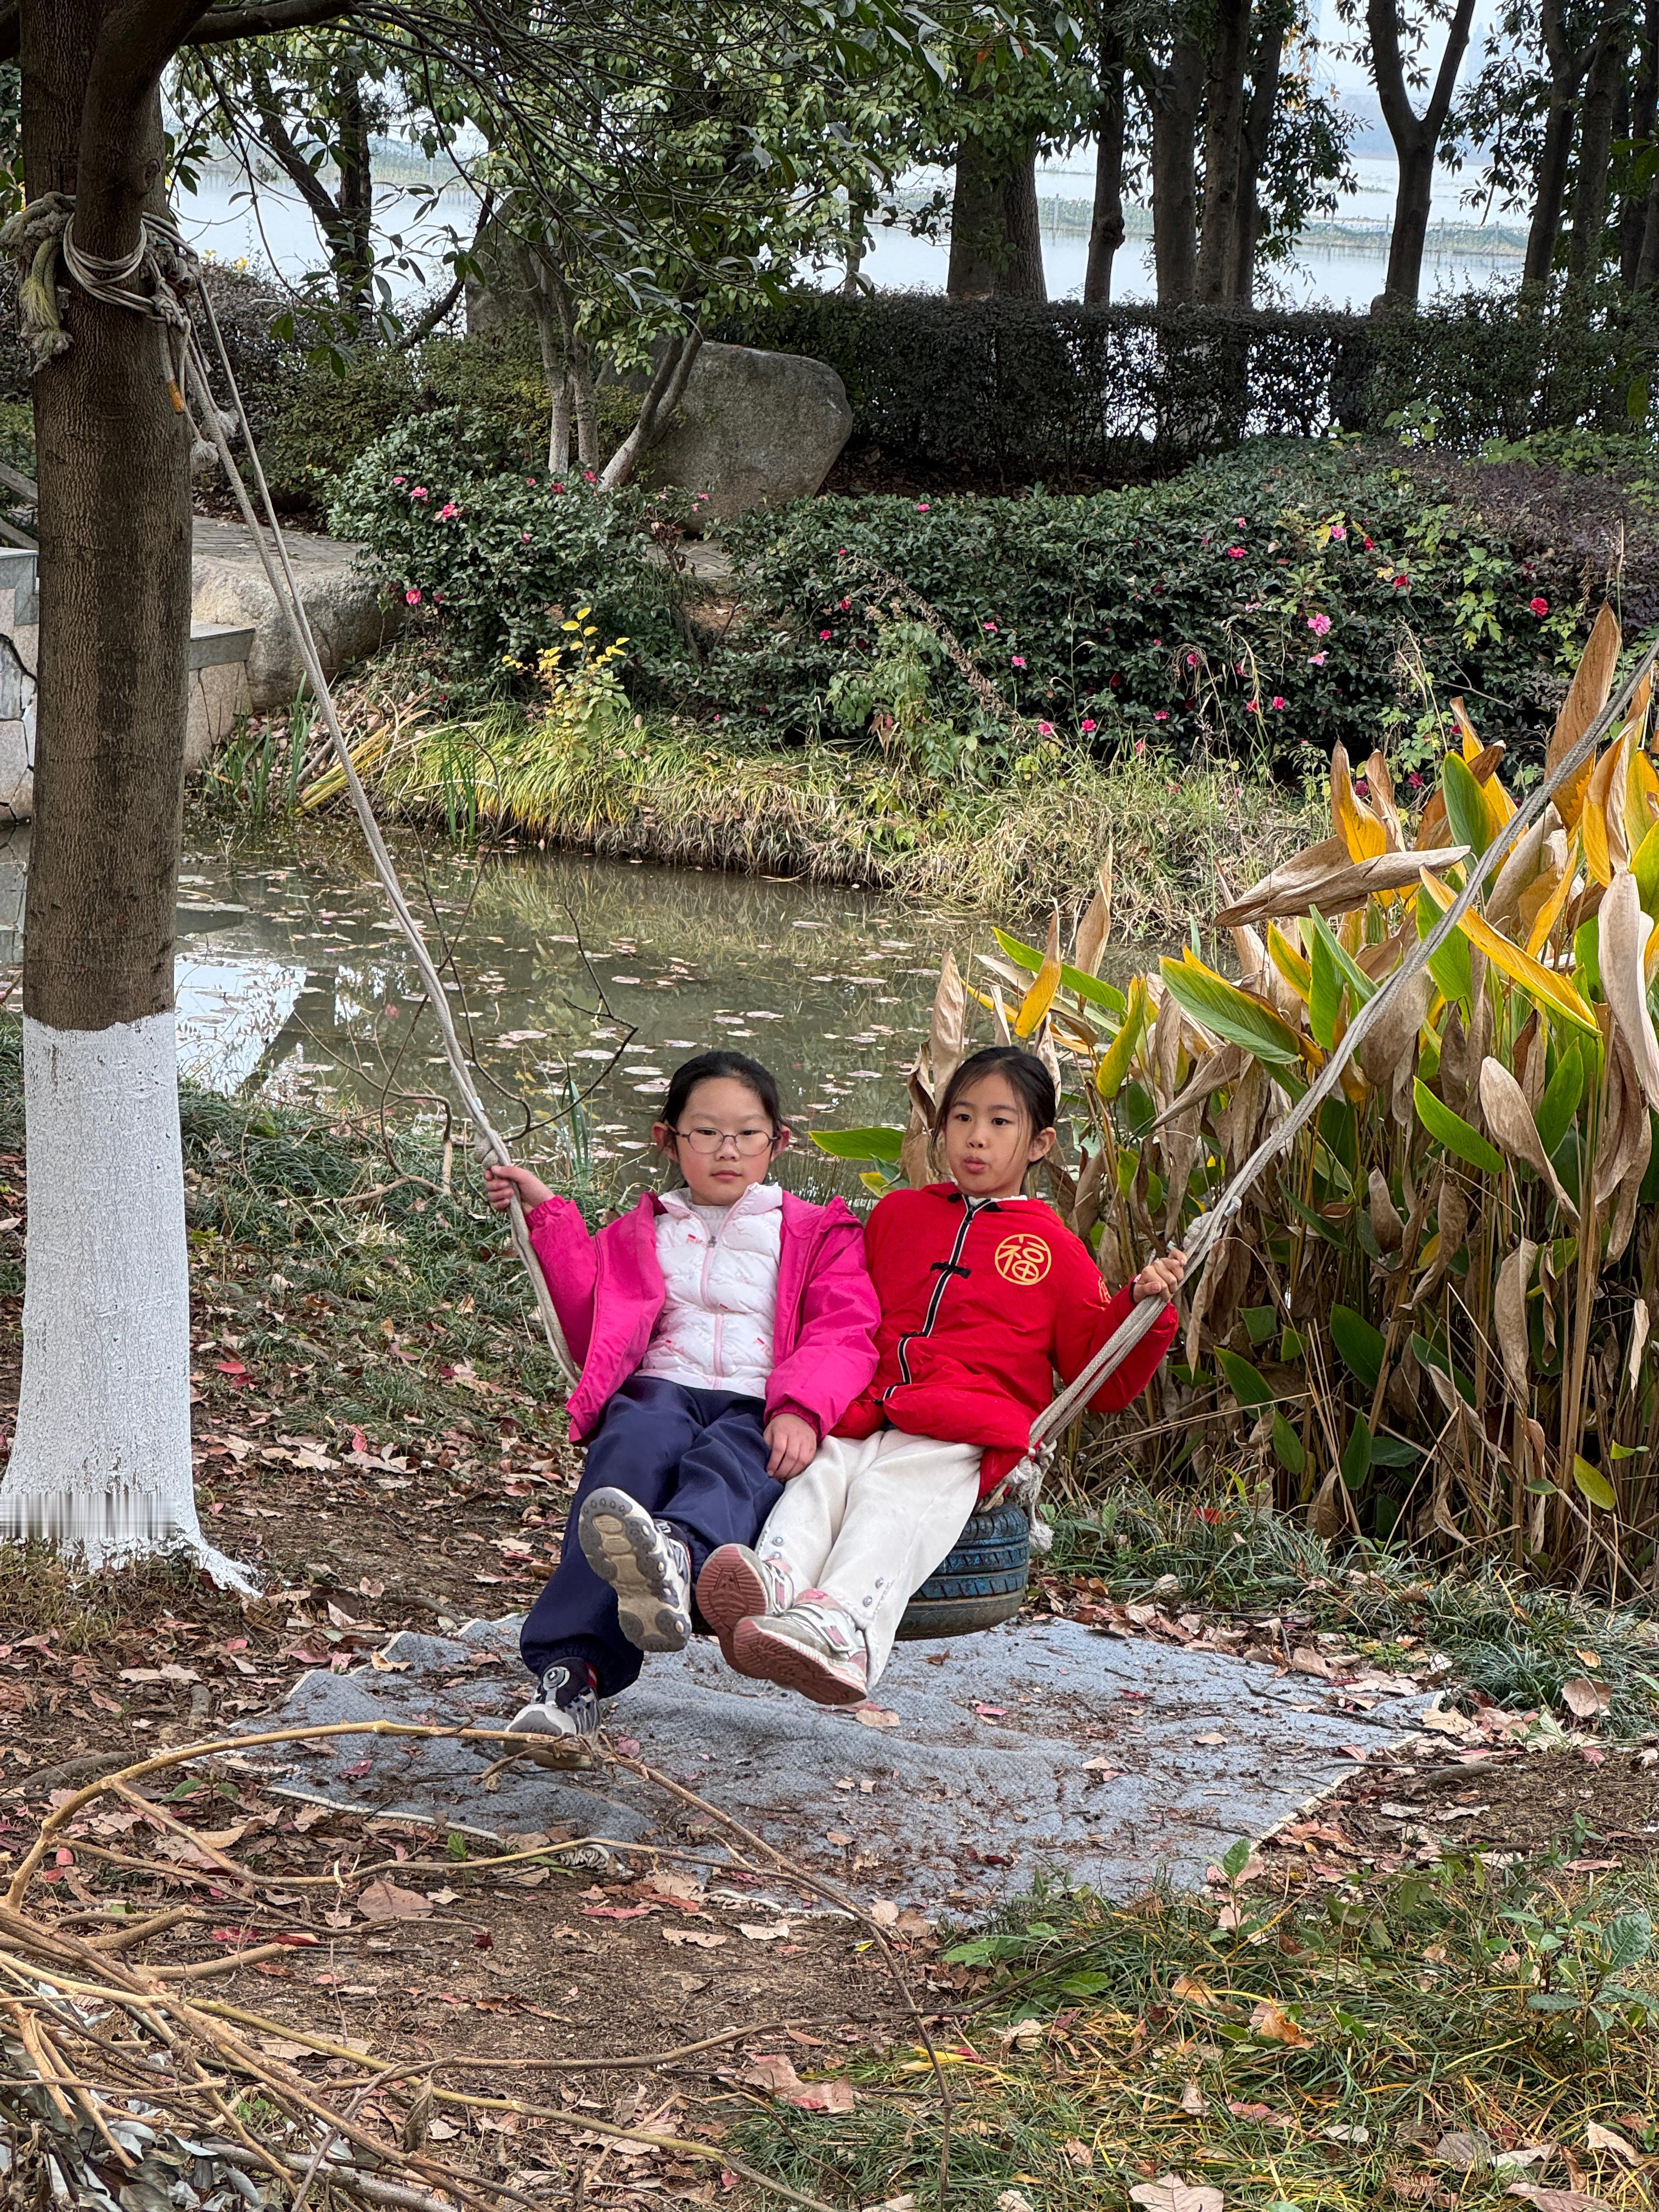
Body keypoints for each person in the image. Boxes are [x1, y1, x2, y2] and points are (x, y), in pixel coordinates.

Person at [697, 1044, 1186, 1707]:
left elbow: (1099, 1379)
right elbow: (840, 1304)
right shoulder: (900, 1217)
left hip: (966, 1424)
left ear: (1041, 1143)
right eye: (961, 1118)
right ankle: (776, 1583)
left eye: (1000, 1122)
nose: (976, 1138)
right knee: (824, 1471)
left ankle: (841, 1626)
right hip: (868, 1403)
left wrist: (1141, 1309)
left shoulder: (1057, 1253)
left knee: (892, 1496)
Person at [484, 1049, 879, 1754]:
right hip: (661, 1387)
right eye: (706, 1132)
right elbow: (589, 1321)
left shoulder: (820, 1233)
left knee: (735, 1463)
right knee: (626, 1456)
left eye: (747, 1133)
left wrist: (801, 1406)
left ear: (778, 1141)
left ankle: (676, 1553)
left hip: (761, 1397)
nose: (727, 1150)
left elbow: (844, 1329)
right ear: (668, 1139)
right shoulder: (645, 1231)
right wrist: (548, 1217)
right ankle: (573, 1676)